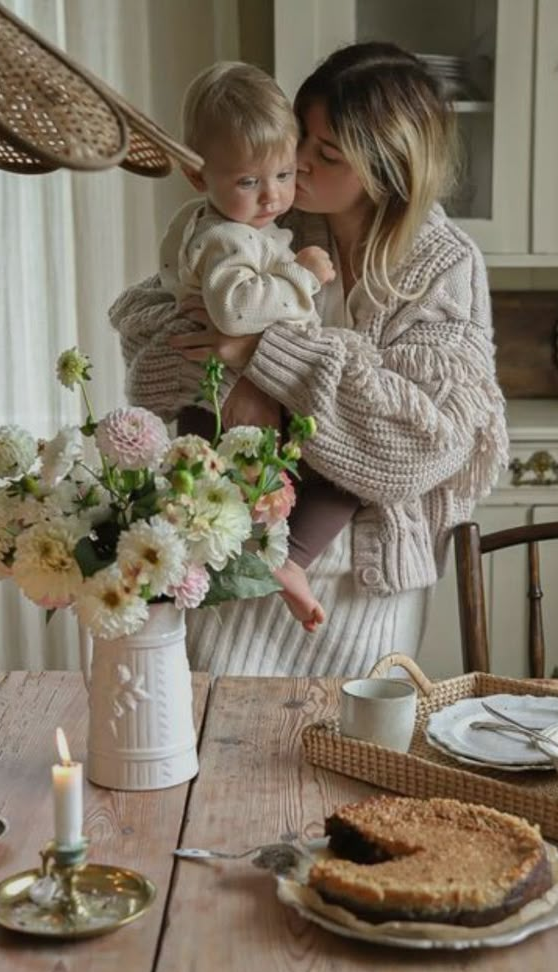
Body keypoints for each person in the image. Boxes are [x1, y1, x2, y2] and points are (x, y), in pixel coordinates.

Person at [110, 41, 509, 678]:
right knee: (219, 758)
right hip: (230, 552)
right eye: (302, 141)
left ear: (388, 167)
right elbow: (148, 351)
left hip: (358, 586)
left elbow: (413, 449)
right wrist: (250, 367)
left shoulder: (443, 264)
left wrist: (260, 351)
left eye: (324, 155)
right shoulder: (262, 214)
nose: (295, 166)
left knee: (347, 767)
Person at [159, 61, 360, 632]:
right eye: (250, 181)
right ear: (199, 177)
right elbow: (235, 310)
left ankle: (271, 556)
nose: (273, 195)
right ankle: (288, 561)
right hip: (232, 396)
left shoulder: (211, 221)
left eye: (283, 174)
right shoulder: (226, 238)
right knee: (342, 476)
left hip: (219, 395)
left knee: (237, 497)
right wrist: (303, 277)